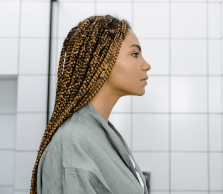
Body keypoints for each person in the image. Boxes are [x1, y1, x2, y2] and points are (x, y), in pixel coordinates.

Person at [29, 14, 151, 194]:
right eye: (134, 54)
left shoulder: (100, 132)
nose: (146, 65)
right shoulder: (72, 144)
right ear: (102, 64)